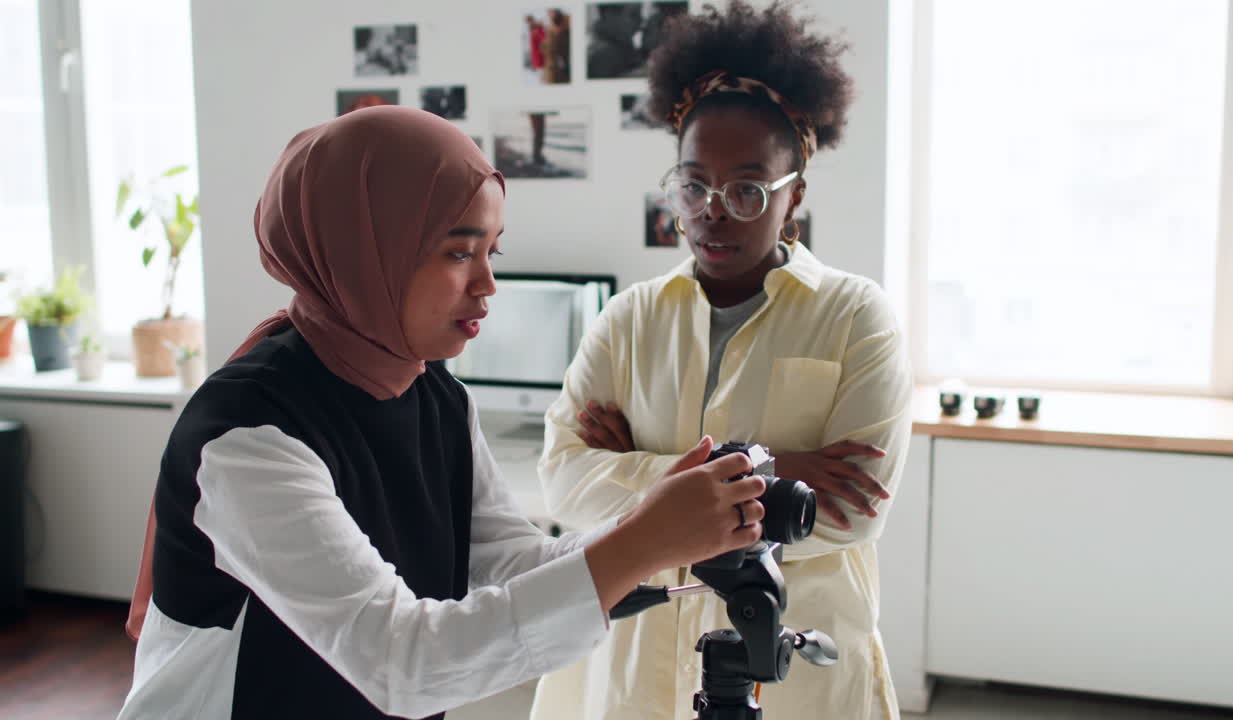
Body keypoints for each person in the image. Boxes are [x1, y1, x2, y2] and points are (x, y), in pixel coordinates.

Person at [115, 106, 769, 720]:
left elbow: (509, 562)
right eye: (459, 251)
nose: (488, 285)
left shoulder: (436, 396)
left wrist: (648, 523)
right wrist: (642, 541)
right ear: (366, 250)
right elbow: (402, 659)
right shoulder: (246, 435)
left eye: (493, 252)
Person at [529, 2, 913, 719]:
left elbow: (852, 514)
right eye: (692, 184)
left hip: (793, 659)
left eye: (745, 188)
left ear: (793, 194)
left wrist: (647, 485)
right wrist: (777, 469)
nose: (713, 210)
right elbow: (562, 483)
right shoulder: (629, 319)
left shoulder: (858, 318)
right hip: (633, 657)